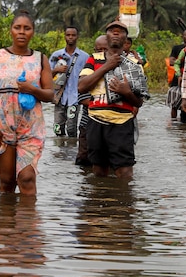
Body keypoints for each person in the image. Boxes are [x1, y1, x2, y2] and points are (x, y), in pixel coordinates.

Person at [0, 11, 54, 195]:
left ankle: (27, 223)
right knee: (6, 182)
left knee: (27, 178)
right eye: (17, 28)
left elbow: (50, 95)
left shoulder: (41, 59)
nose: (22, 32)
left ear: (33, 32)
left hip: (31, 128)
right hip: (2, 126)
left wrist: (32, 90)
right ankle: (5, 222)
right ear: (10, 31)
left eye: (27, 28)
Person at [78, 20, 150, 179]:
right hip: (96, 121)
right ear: (106, 36)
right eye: (112, 30)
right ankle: (102, 200)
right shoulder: (93, 59)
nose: (116, 33)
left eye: (120, 31)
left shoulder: (134, 65)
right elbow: (81, 86)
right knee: (98, 170)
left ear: (126, 40)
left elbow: (139, 102)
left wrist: (126, 92)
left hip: (122, 123)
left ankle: (123, 202)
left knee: (124, 172)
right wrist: (107, 66)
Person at [49, 26, 89, 137]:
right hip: (59, 97)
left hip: (75, 98)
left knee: (72, 130)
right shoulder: (56, 56)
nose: (71, 37)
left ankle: (71, 152)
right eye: (68, 35)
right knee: (57, 128)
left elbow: (90, 78)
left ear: (77, 37)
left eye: (73, 35)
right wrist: (56, 70)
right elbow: (46, 76)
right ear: (64, 36)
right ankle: (60, 152)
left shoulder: (85, 57)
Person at [75, 34, 108, 167]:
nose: (101, 53)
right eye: (98, 50)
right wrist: (105, 103)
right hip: (88, 123)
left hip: (111, 123)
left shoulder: (118, 69)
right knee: (85, 159)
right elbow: (82, 97)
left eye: (104, 50)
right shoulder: (88, 69)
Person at [166, 30, 186, 120]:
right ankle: (173, 121)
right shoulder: (177, 48)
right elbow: (171, 61)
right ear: (182, 36)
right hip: (177, 78)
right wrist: (181, 60)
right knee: (174, 102)